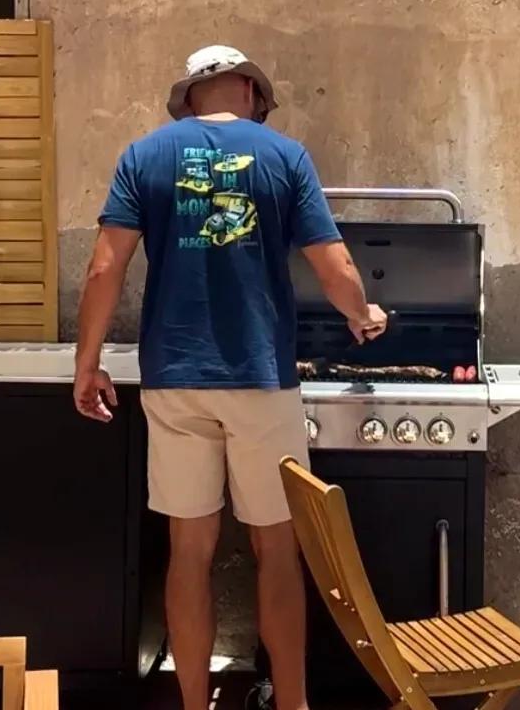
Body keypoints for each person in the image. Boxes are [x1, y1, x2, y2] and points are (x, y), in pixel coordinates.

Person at [73, 45, 387, 710]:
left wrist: (87, 363)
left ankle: (193, 705)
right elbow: (332, 267)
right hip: (260, 378)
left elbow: (105, 268)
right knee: (278, 550)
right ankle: (294, 705)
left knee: (189, 552)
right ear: (247, 89)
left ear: (190, 96)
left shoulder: (144, 156)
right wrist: (364, 314)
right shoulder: (284, 157)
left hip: (175, 378)